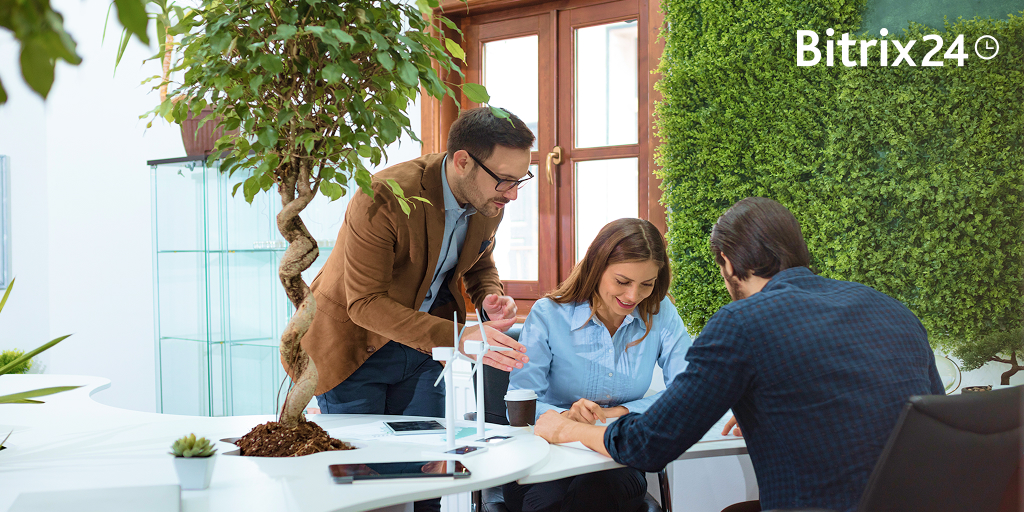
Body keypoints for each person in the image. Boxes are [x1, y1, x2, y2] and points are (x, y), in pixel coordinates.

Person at [534, 197, 945, 512]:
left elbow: (648, 446)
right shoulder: (891, 309)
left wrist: (568, 430)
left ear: (727, 264)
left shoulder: (742, 322)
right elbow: (930, 419)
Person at [292, 107, 535, 508]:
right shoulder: (386, 195)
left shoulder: (488, 199)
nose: (511, 194)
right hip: (352, 350)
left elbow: (478, 259)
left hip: (422, 351)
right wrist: (460, 336)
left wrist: (489, 294)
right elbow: (365, 303)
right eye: (505, 181)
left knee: (426, 480)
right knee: (365, 488)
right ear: (462, 162)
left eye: (519, 181)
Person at [503, 218, 693, 512]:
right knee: (550, 502)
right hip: (543, 456)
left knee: (597, 493)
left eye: (647, 284)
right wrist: (566, 416)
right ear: (596, 267)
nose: (633, 296)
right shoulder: (548, 315)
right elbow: (522, 404)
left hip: (615, 459)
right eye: (622, 281)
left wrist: (622, 412)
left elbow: (690, 389)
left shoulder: (661, 313)